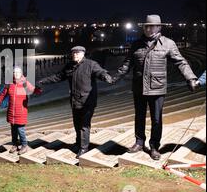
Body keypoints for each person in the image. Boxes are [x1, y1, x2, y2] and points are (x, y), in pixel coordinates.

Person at [113, 15, 198, 160]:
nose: (147, 28)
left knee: (156, 119)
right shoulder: (136, 44)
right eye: (146, 26)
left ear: (159, 27)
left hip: (157, 88)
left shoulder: (168, 43)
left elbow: (181, 62)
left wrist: (190, 78)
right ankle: (139, 143)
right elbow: (127, 64)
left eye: (151, 26)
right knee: (139, 117)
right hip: (139, 87)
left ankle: (154, 147)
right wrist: (113, 78)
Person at [40, 47, 114, 158]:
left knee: (84, 125)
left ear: (83, 54)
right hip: (75, 101)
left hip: (88, 101)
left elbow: (100, 72)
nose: (75, 54)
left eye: (77, 53)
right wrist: (42, 81)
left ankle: (84, 148)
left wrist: (105, 76)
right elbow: (58, 77)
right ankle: (78, 143)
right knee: (77, 124)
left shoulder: (91, 64)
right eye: (73, 53)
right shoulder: (70, 66)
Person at [0, 66, 43, 156]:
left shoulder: (24, 83)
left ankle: (24, 145)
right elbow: (3, 94)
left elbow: (33, 90)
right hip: (11, 111)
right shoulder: (9, 83)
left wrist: (38, 89)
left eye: (18, 72)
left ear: (21, 74)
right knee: (13, 129)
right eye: (14, 72)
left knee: (20, 129)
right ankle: (15, 144)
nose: (16, 74)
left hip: (21, 111)